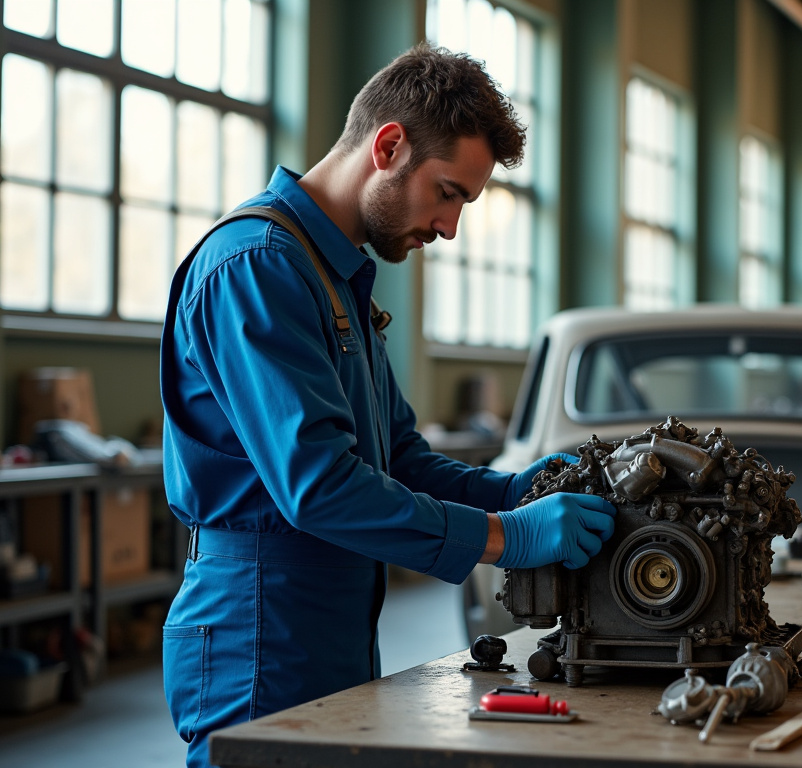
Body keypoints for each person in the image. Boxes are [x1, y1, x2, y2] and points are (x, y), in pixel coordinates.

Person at [159, 44, 616, 768]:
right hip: (259, 622)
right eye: (447, 193)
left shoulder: (334, 278)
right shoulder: (256, 268)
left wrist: (520, 489)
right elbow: (320, 487)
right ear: (389, 145)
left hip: (329, 615)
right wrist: (508, 535)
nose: (448, 227)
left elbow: (398, 459)